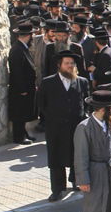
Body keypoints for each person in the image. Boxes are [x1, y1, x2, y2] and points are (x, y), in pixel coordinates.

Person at [37, 50, 90, 201]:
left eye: (72, 63)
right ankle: (57, 189)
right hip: (56, 128)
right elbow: (41, 104)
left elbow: (87, 102)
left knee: (77, 155)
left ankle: (76, 181)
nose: (70, 66)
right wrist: (52, 118)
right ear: (59, 65)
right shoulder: (48, 82)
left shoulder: (82, 82)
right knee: (56, 159)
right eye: (67, 63)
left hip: (76, 126)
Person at [8, 21, 38, 144]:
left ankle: (24, 133)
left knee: (24, 112)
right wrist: (22, 89)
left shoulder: (22, 48)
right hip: (20, 89)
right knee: (19, 113)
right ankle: (19, 137)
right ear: (28, 36)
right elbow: (17, 71)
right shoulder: (17, 50)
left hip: (26, 87)